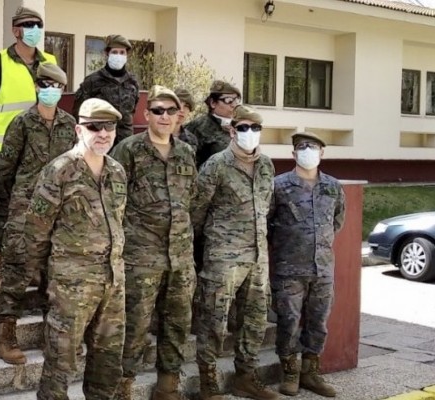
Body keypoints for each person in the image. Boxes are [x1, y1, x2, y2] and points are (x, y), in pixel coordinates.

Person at [28, 98, 128, 400]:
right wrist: (44, 279)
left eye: (109, 127)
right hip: (71, 286)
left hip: (113, 285)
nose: (103, 133)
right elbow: (36, 230)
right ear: (78, 129)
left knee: (108, 364)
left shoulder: (118, 172)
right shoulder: (59, 171)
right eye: (94, 127)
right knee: (61, 363)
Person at [110, 86, 196, 400]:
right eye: (157, 110)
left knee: (177, 325)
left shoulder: (186, 152)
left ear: (179, 116)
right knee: (134, 327)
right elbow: (113, 201)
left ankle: (167, 387)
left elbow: (192, 200)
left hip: (180, 258)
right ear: (145, 115)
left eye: (170, 111)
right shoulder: (128, 150)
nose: (164, 116)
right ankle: (123, 388)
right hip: (140, 257)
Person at [190, 105, 279, 400]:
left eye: (255, 129)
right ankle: (208, 382)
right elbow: (198, 211)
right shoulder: (216, 165)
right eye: (242, 128)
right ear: (231, 130)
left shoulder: (267, 165)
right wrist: (204, 249)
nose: (249, 134)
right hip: (223, 257)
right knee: (214, 320)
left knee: (254, 321)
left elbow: (268, 207)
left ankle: (246, 377)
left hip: (257, 257)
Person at [0, 62, 76, 365]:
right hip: (25, 207)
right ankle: (6, 336)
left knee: (54, 275)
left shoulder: (70, 124)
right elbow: (5, 169)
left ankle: (51, 337)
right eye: (45, 85)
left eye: (56, 87)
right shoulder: (22, 123)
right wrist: (10, 206)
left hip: (59, 211)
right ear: (37, 87)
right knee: (16, 271)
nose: (50, 91)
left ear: (62, 91)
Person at [0, 5, 56, 286]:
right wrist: (5, 133)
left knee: (43, 209)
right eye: (28, 25)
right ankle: (0, 266)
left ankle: (35, 268)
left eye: (38, 25)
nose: (34, 30)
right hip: (8, 154)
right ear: (15, 30)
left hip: (43, 152)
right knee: (5, 209)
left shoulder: (50, 61)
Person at [269, 132, 344, 398]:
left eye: (313, 147)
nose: (308, 151)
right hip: (289, 268)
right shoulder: (278, 186)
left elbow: (337, 221)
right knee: (288, 322)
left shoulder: (333, 186)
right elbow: (268, 223)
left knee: (318, 323)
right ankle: (289, 372)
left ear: (322, 152)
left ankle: (310, 373)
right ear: (293, 154)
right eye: (302, 147)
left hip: (322, 269)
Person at [72, 34, 140, 148]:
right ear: (107, 53)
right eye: (115, 52)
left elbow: (132, 111)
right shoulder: (92, 81)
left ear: (127, 55)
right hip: (99, 139)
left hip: (126, 144)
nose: (118, 56)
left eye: (122, 52)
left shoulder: (132, 82)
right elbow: (78, 113)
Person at [187, 80, 242, 168]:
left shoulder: (242, 127)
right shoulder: (199, 126)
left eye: (236, 100)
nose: (234, 105)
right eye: (229, 100)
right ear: (213, 103)